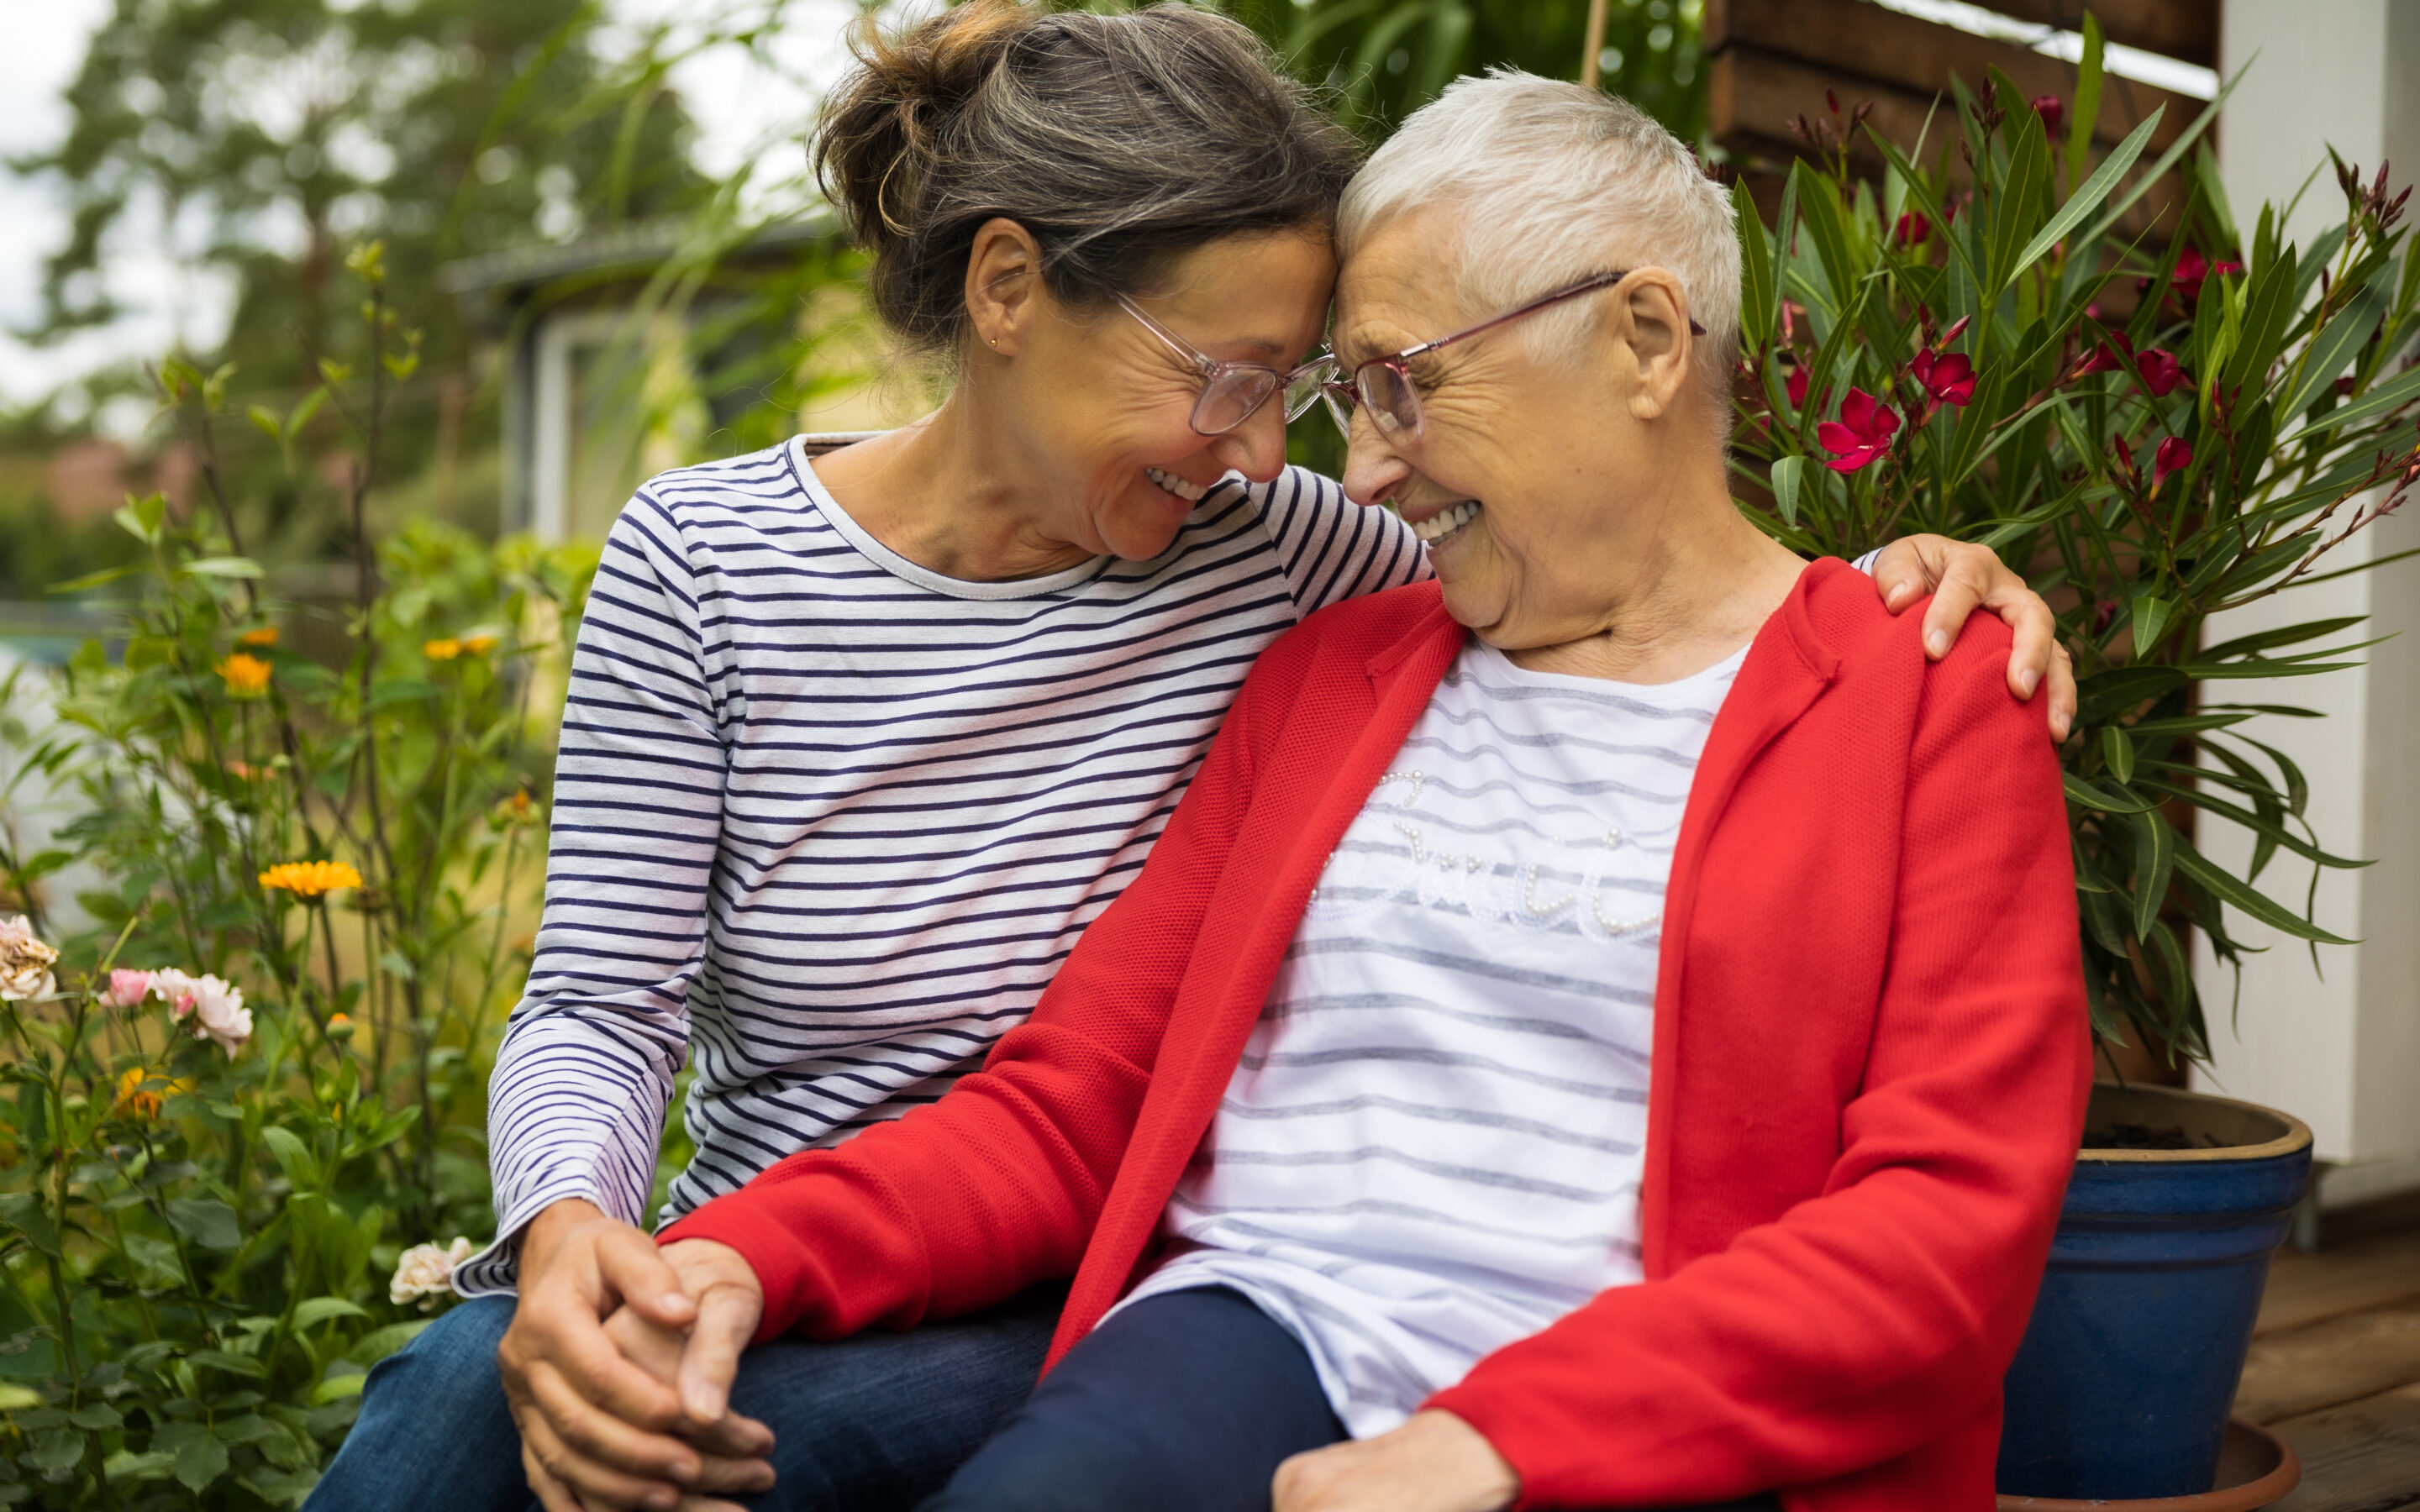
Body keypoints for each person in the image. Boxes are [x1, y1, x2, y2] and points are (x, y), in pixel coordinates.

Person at [304, 7, 2072, 1509]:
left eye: (1376, 385)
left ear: (1642, 337)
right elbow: (1046, 1090)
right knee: (484, 1402)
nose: (1327, 464)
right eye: (1313, 392)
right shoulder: (1335, 647)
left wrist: (1495, 1444)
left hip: (1544, 1367)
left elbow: (1940, 1218)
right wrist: (693, 1248)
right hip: (1192, 1310)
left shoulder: (1883, 682)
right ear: (1009, 291)